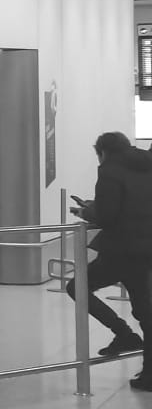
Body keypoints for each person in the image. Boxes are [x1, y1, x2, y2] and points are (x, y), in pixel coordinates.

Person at [69, 132, 152, 389]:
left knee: (77, 287)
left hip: (121, 251)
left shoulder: (109, 171)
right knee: (146, 312)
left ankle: (124, 334)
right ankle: (148, 375)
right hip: (146, 249)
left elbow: (107, 216)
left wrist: (86, 210)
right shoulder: (147, 163)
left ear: (102, 152)